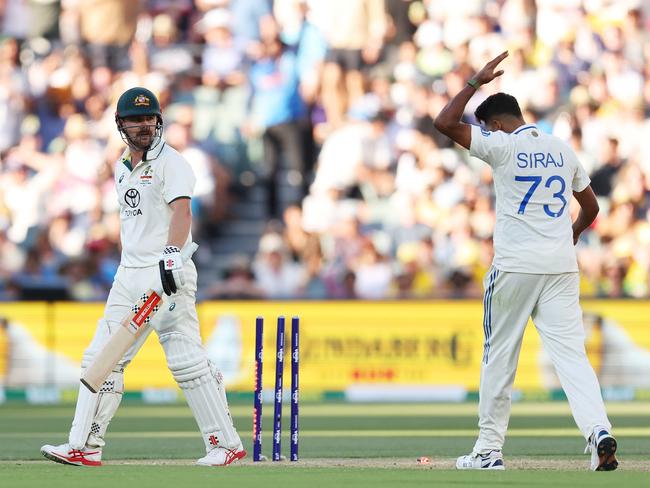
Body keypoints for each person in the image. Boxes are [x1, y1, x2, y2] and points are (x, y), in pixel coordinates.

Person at [40, 87, 246, 466]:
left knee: (186, 361)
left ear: (158, 120)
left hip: (166, 273)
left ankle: (225, 444)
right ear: (121, 124)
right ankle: (84, 446)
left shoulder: (173, 163)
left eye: (149, 117)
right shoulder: (121, 167)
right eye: (135, 119)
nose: (143, 125)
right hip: (128, 275)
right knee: (100, 358)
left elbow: (182, 212)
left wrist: (171, 256)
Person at [434, 52, 617, 471]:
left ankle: (488, 450)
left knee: (498, 356)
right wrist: (571, 233)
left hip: (516, 266)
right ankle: (599, 431)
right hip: (560, 267)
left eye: (485, 126)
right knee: (573, 357)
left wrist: (475, 83)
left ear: (496, 123)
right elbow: (590, 208)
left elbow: (444, 123)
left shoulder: (502, 145)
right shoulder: (561, 149)